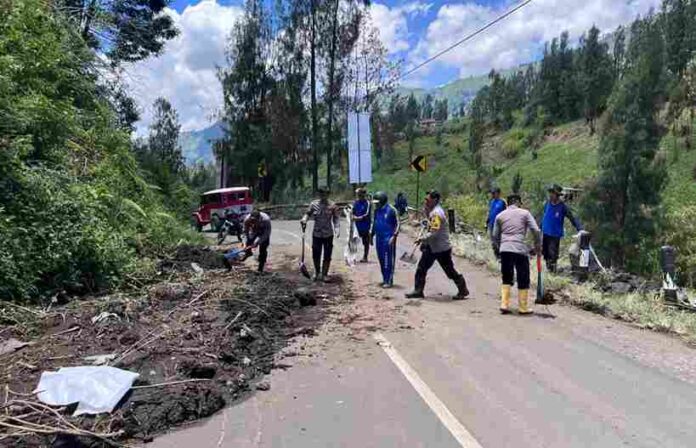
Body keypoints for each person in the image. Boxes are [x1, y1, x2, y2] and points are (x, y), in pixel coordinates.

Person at [405, 190, 469, 300]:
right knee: (421, 268)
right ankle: (418, 290)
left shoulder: (436, 213)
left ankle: (463, 289)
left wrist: (422, 239)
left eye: (427, 199)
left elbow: (434, 233)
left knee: (449, 271)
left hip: (441, 248)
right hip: (432, 247)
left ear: (434, 200)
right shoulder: (433, 211)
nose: (425, 201)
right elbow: (430, 226)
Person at [492, 194, 541, 315]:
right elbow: (536, 230)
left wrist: (500, 247)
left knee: (506, 276)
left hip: (505, 249)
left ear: (508, 203)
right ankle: (523, 307)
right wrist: (537, 245)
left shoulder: (500, 216)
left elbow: (494, 236)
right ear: (518, 202)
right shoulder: (525, 213)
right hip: (520, 249)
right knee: (523, 277)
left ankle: (504, 304)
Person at [539, 184, 582, 273]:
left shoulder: (563, 207)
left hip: (555, 234)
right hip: (546, 232)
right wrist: (540, 227)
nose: (550, 195)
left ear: (557, 195)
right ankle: (549, 268)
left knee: (553, 253)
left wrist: (580, 228)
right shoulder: (547, 203)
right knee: (546, 252)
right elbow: (545, 216)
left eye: (553, 193)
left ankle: (552, 270)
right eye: (550, 193)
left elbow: (572, 218)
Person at [301, 187, 340, 282]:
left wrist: (337, 228)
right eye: (321, 193)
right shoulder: (313, 204)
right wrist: (304, 219)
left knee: (327, 254)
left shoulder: (333, 205)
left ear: (328, 194)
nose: (323, 195)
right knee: (316, 254)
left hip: (328, 234)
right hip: (317, 234)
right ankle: (317, 272)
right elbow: (307, 213)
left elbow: (336, 218)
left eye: (326, 193)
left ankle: (324, 274)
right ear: (319, 194)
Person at [371, 191, 399, 288]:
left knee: (388, 259)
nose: (376, 204)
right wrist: (371, 235)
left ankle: (389, 280)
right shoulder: (376, 211)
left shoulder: (392, 210)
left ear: (382, 201)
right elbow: (375, 223)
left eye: (377, 203)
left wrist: (394, 236)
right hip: (379, 238)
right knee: (381, 259)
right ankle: (384, 278)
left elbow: (398, 224)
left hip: (388, 239)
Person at [352, 188, 372, 263]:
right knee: (354, 241)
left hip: (365, 225)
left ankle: (365, 257)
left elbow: (367, 214)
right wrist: (353, 216)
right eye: (358, 195)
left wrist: (359, 218)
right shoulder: (355, 203)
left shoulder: (368, 203)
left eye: (360, 194)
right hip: (356, 225)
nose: (359, 196)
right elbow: (352, 212)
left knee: (366, 242)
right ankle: (353, 257)